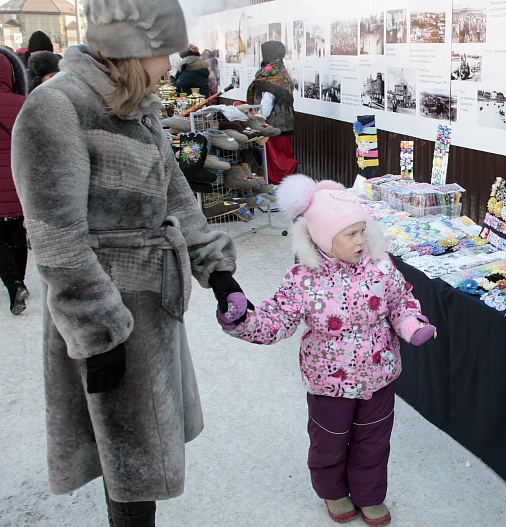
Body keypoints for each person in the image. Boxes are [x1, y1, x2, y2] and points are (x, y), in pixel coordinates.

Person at [10, 1, 247, 525]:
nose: (171, 62)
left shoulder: (135, 106)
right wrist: (98, 333)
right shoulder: (58, 107)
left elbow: (176, 194)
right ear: (133, 49)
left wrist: (217, 268)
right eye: (164, 50)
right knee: (127, 462)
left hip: (150, 309)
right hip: (108, 315)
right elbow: (56, 238)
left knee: (143, 453)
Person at [216, 176, 437, 526]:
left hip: (379, 374)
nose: (361, 241)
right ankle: (333, 491)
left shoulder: (381, 266)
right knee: (329, 441)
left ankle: (369, 495)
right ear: (322, 237)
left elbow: (400, 301)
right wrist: (243, 319)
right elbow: (277, 320)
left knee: (373, 441)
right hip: (328, 380)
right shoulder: (303, 278)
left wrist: (411, 325)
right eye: (350, 234)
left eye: (363, 231)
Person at [247, 40, 298, 185]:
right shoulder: (282, 72)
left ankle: (277, 185)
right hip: (285, 123)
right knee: (282, 154)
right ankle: (287, 184)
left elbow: (266, 103)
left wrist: (258, 120)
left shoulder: (269, 75)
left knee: (275, 159)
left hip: (272, 125)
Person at [0, 46, 27, 315]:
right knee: (17, 229)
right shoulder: (23, 103)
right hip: (18, 176)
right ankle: (20, 281)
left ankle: (13, 283)